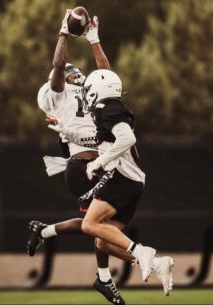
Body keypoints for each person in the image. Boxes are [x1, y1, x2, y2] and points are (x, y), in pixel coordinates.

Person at [28, 10, 127, 305]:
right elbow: (58, 64)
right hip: (81, 164)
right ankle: (109, 275)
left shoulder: (89, 91)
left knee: (104, 226)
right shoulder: (59, 92)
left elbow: (107, 79)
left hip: (100, 163)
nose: (78, 74)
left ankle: (44, 231)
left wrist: (94, 40)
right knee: (98, 226)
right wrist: (64, 32)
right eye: (72, 72)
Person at [80, 68, 175, 296]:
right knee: (103, 242)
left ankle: (141, 251)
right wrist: (66, 131)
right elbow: (103, 140)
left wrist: (99, 162)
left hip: (121, 177)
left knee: (88, 225)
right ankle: (157, 263)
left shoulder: (106, 106)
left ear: (97, 90)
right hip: (132, 182)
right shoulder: (108, 109)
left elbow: (127, 138)